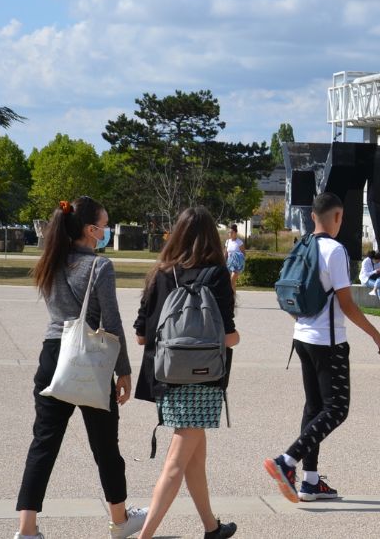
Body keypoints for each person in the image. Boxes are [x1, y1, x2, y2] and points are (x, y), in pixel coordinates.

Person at [18, 197, 147, 539]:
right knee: (105, 447)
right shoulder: (98, 267)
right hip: (89, 357)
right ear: (91, 231)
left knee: (43, 445)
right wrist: (124, 371)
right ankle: (120, 521)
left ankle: (26, 529)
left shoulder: (52, 261)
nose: (107, 232)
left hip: (52, 356)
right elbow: (113, 322)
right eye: (105, 226)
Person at [264, 192, 380, 504]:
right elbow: (347, 304)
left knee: (314, 407)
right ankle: (287, 461)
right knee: (336, 409)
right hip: (328, 341)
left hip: (302, 337)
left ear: (312, 217)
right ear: (338, 217)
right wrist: (378, 337)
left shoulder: (303, 244)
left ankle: (310, 481)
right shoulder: (336, 251)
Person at [133, 207, 240, 539]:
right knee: (177, 463)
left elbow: (140, 335)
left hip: (166, 377)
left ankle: (211, 527)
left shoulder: (160, 274)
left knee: (194, 457)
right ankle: (144, 536)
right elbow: (228, 337)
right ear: (211, 236)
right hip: (204, 378)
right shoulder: (217, 275)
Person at [224, 224, 245, 290]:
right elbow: (225, 253)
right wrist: (223, 263)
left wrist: (238, 258)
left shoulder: (239, 242)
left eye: (231, 232)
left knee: (231, 281)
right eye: (229, 232)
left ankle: (230, 298)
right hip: (229, 264)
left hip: (236, 265)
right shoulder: (227, 242)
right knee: (232, 283)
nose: (229, 234)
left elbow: (243, 254)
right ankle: (233, 298)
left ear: (235, 233)